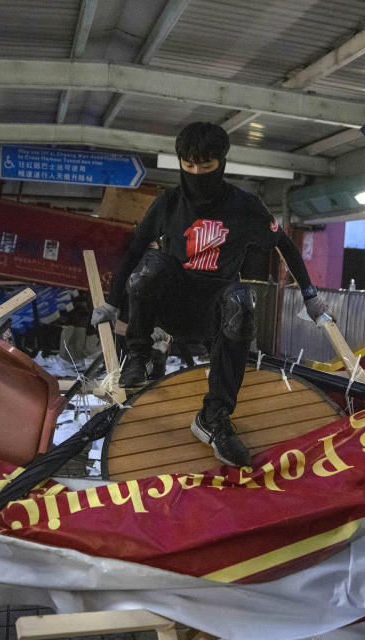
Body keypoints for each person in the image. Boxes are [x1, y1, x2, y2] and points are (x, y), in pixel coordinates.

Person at [91, 122, 326, 468]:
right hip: (173, 304)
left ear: (222, 163)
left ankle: (213, 419)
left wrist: (310, 295)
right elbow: (135, 250)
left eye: (206, 166)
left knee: (242, 300)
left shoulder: (245, 207)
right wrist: (113, 303)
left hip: (215, 311)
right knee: (152, 265)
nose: (197, 173)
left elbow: (286, 245)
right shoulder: (168, 204)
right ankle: (139, 357)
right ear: (181, 163)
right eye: (189, 166)